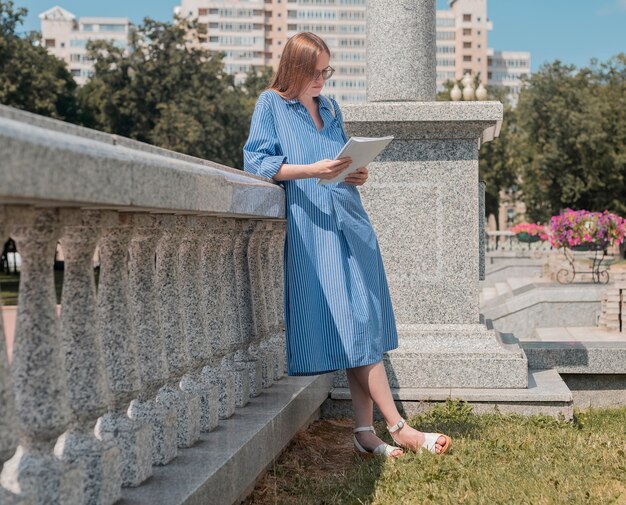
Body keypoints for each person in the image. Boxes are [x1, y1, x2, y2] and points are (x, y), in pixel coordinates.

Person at [243, 32, 451, 457]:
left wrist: (357, 172)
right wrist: (311, 169)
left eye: (326, 71)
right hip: (312, 230)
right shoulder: (271, 105)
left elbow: (342, 160)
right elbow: (258, 163)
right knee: (354, 326)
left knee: (364, 325)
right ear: (295, 68)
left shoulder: (331, 108)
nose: (322, 79)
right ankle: (399, 427)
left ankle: (363, 432)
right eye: (315, 72)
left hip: (351, 221)